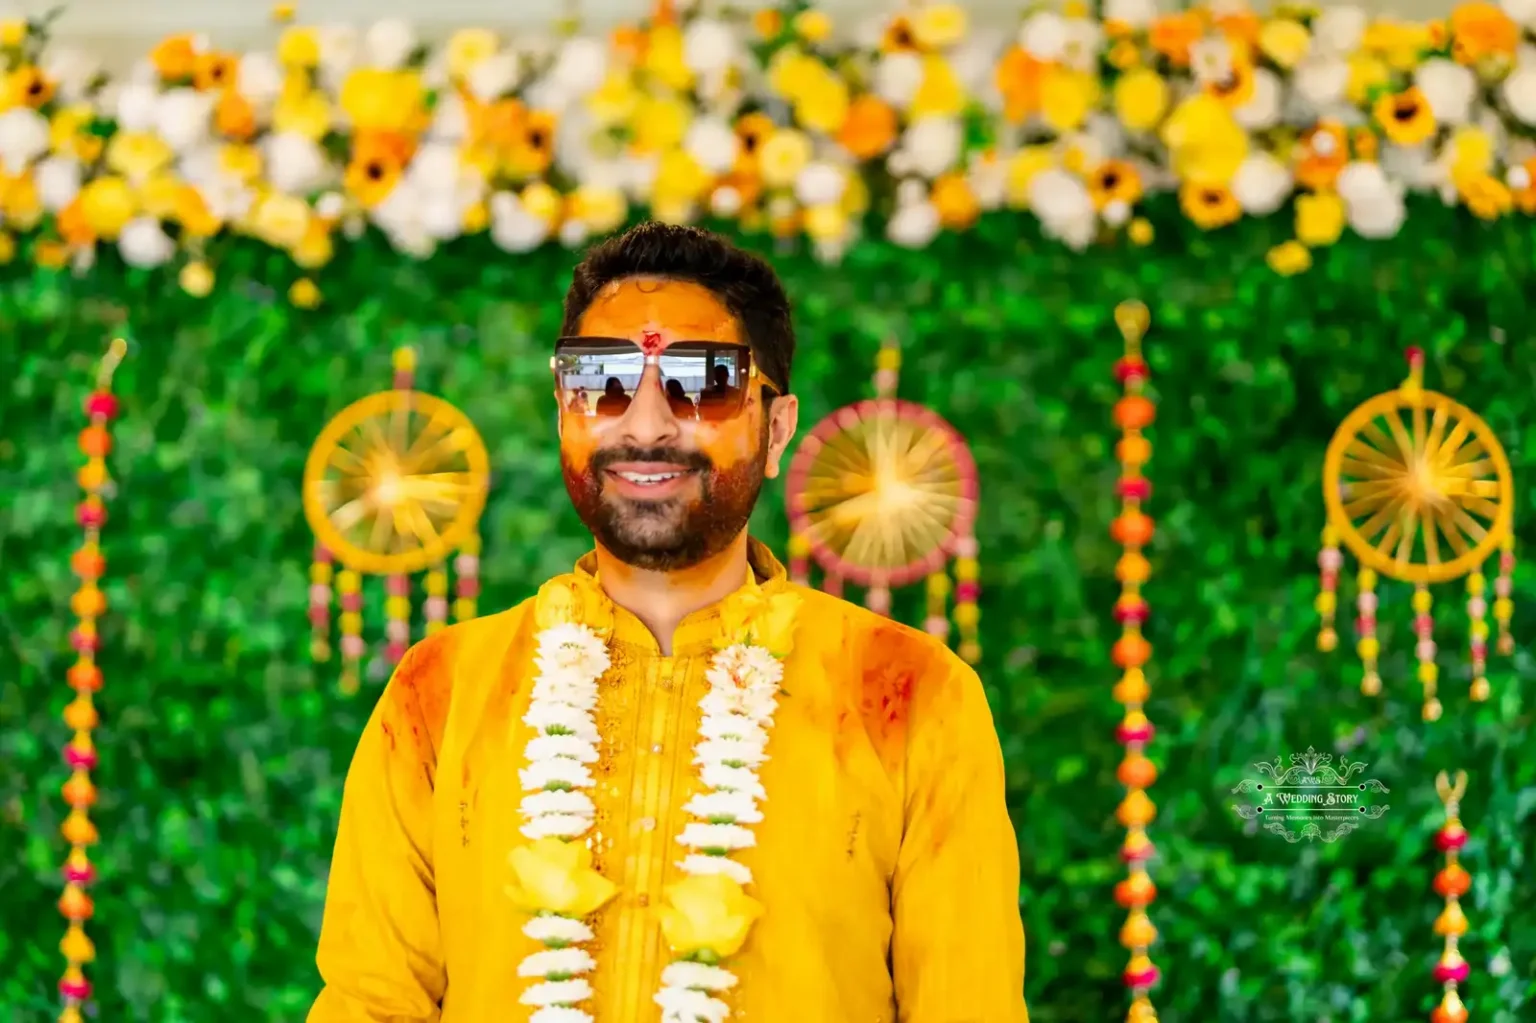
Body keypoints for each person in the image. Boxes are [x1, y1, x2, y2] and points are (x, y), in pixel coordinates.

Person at [308, 222, 1028, 1023]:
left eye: (704, 380)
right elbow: (369, 1004)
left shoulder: (910, 695)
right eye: (601, 378)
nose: (645, 424)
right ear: (562, 409)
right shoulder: (439, 696)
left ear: (777, 426)